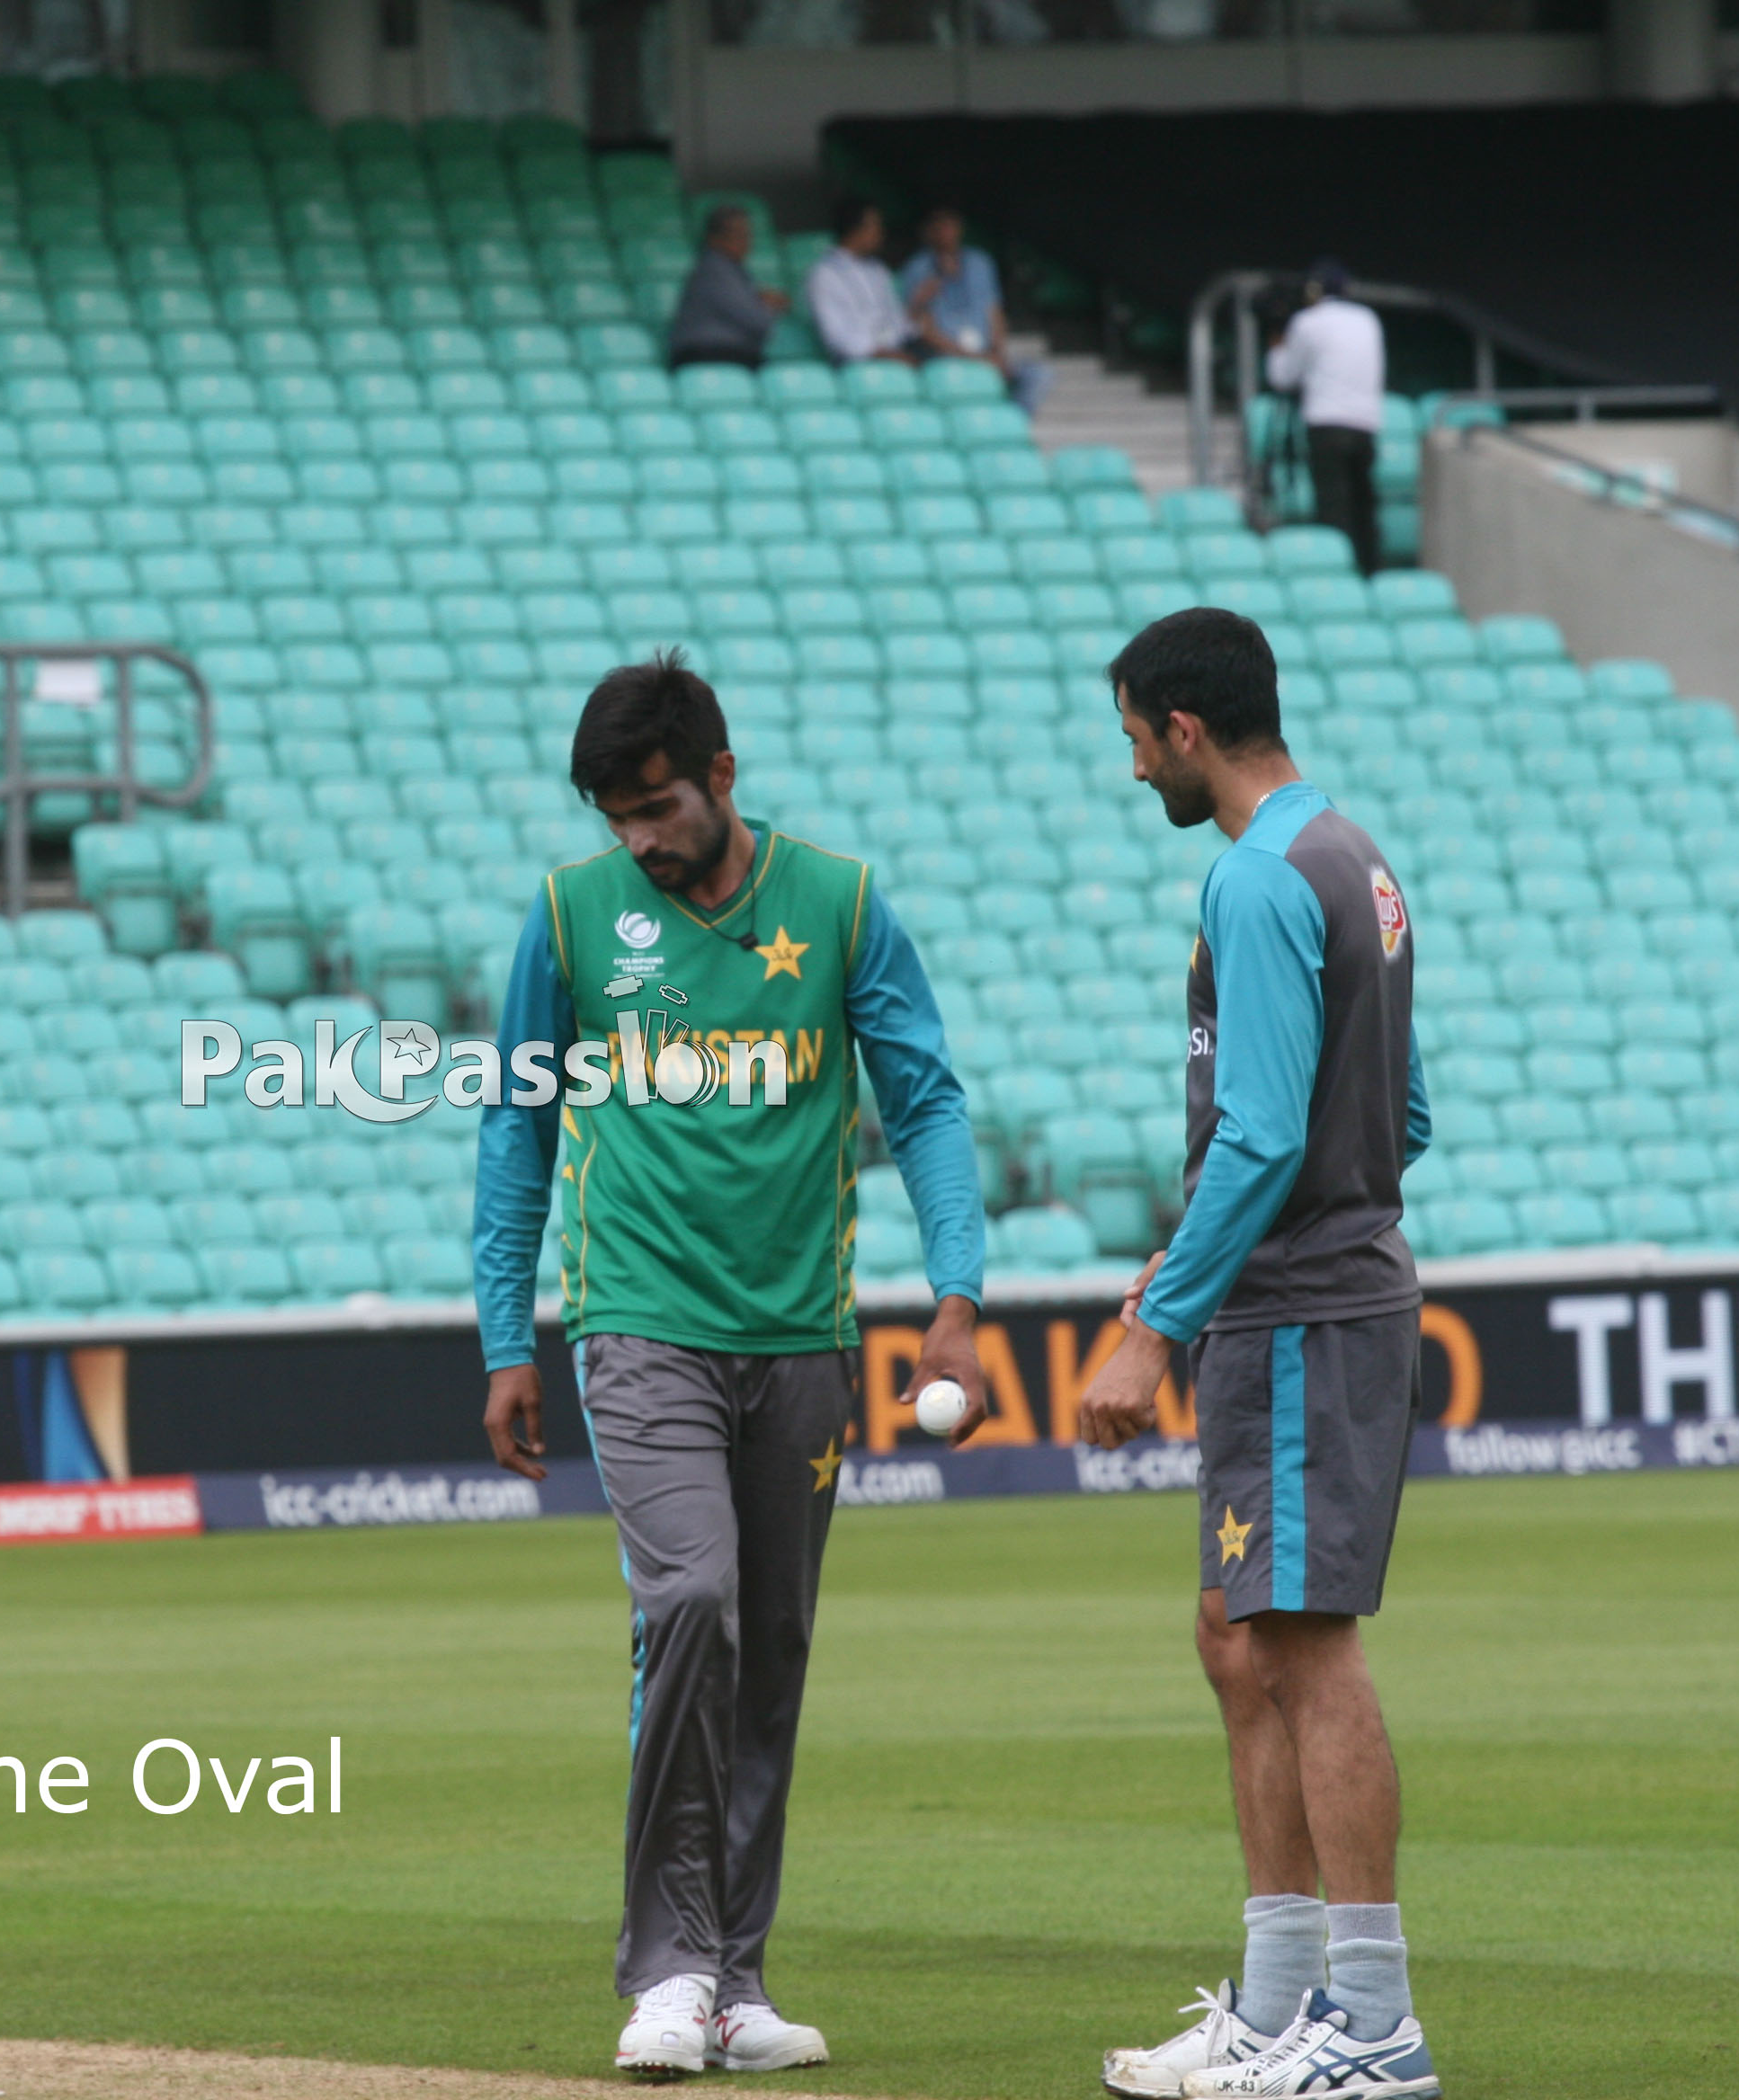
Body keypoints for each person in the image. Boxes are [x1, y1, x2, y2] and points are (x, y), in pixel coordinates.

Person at [472, 652, 989, 2079]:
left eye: (656, 807)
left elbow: (926, 1103)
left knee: (771, 1654)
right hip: (638, 1320)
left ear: (723, 778)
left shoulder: (839, 903)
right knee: (691, 1599)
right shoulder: (574, 918)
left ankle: (735, 1980)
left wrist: (956, 1299)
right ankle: (667, 1968)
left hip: (803, 1332)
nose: (637, 838)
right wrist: (508, 1333)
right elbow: (515, 1129)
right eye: (615, 814)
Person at [1078, 610, 1436, 2100]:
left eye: (1129, 739)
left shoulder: (1248, 875)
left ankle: (1370, 2030)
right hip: (1300, 1293)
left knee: (1301, 1646)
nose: (1131, 768)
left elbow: (1265, 1123)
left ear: (1177, 728)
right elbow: (1397, 1114)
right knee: (1234, 1637)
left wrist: (1155, 1323)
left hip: (1292, 1314)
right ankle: (1282, 2001)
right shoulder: (1349, 856)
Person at [1264, 260, 1386, 574]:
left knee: (1333, 505)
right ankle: (1370, 571)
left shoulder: (1307, 321)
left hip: (1327, 423)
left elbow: (1283, 377)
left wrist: (1276, 343)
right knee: (1363, 505)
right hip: (1365, 424)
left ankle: (1339, 574)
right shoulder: (1368, 319)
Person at [896, 204, 1048, 414]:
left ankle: (1012, 427)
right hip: (945, 355)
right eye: (939, 227)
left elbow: (994, 312)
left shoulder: (981, 262)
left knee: (1038, 374)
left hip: (985, 351)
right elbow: (923, 330)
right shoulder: (917, 269)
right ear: (929, 232)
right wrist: (975, 358)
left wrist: (997, 353)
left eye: (951, 226)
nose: (946, 233)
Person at [665, 204, 789, 372]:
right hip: (709, 356)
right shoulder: (715, 269)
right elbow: (758, 322)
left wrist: (758, 299)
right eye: (738, 235)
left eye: (747, 234)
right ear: (714, 238)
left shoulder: (728, 269)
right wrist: (769, 305)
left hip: (725, 355)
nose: (746, 241)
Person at [802, 199, 920, 367]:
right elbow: (837, 337)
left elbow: (897, 322)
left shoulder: (878, 270)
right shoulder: (824, 274)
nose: (881, 233)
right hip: (857, 364)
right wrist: (882, 354)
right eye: (875, 226)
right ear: (856, 230)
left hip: (897, 353)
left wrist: (917, 313)